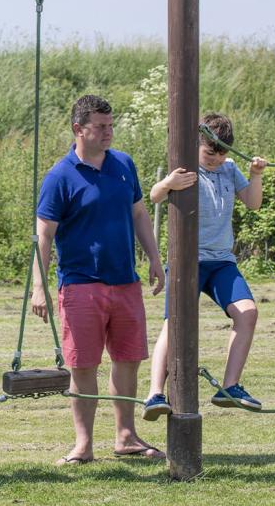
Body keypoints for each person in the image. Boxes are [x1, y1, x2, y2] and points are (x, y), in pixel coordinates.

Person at [32, 94, 166, 464]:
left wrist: (155, 259)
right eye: (101, 126)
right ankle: (83, 445)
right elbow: (43, 235)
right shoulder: (60, 176)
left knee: (128, 360)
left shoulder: (124, 164)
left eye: (111, 125)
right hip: (80, 285)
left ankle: (126, 437)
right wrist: (39, 286)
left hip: (126, 281)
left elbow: (139, 214)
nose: (109, 132)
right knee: (83, 366)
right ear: (79, 129)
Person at [143, 112, 268, 421]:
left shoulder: (229, 169)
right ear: (197, 144)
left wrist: (255, 174)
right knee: (176, 325)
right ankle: (155, 394)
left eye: (222, 152)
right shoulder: (184, 169)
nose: (215, 158)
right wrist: (169, 182)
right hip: (187, 261)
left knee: (248, 313)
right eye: (210, 152)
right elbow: (154, 196)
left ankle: (230, 387)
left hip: (221, 261)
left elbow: (253, 203)